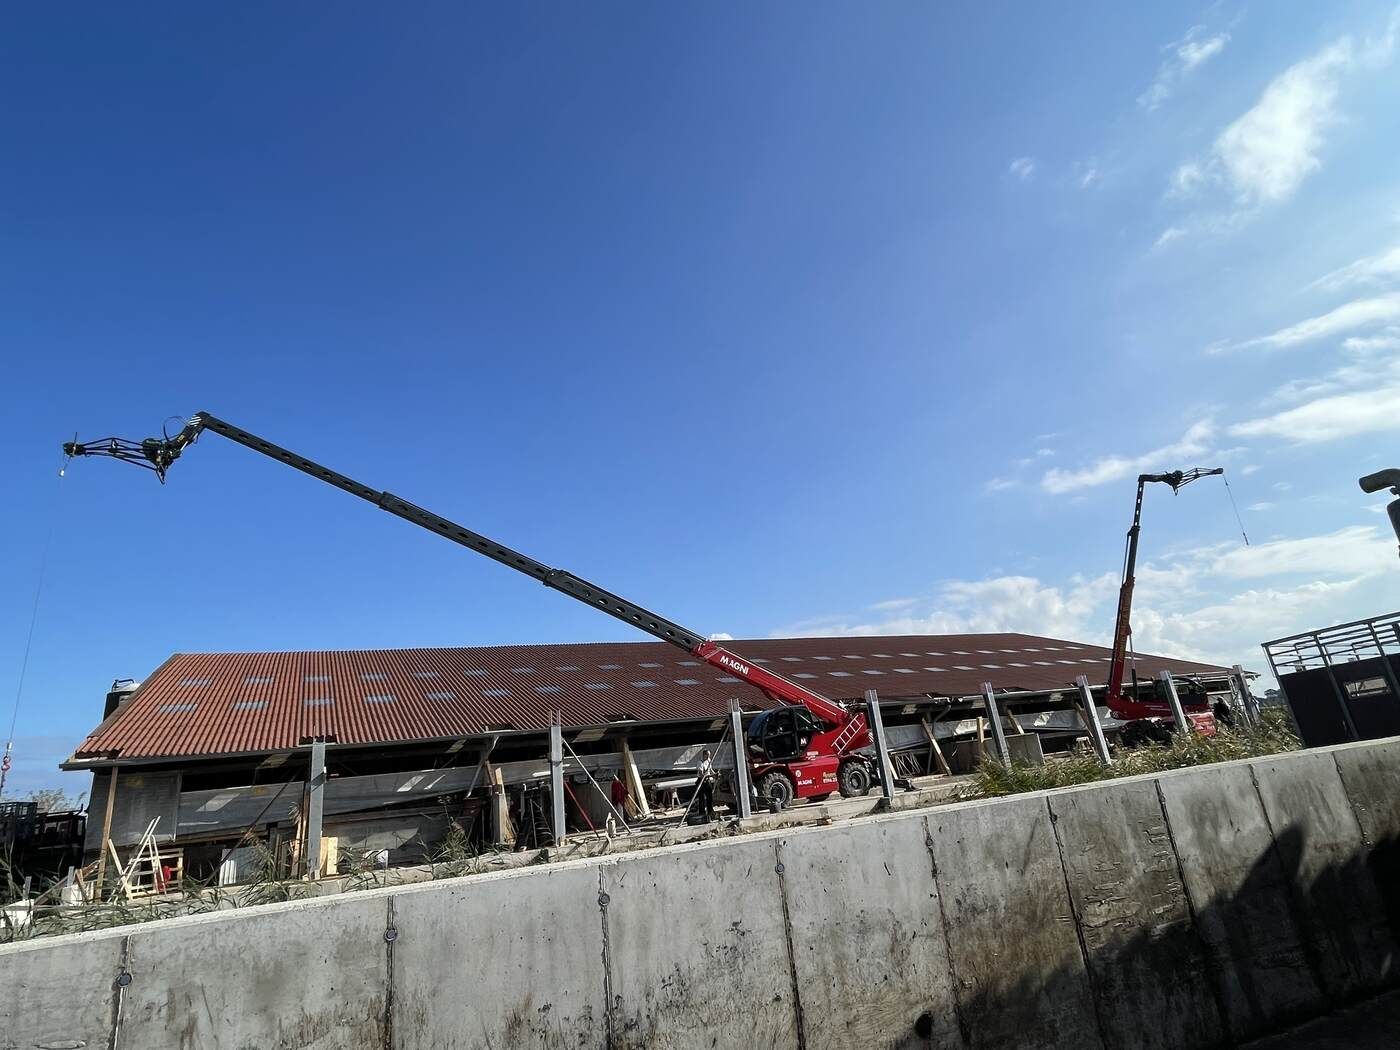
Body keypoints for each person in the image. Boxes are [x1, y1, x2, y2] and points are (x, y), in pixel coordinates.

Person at [694, 747, 717, 823]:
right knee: (702, 799)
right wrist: (710, 776)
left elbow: (710, 770)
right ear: (704, 755)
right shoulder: (700, 763)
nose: (708, 757)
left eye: (709, 755)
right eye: (707, 755)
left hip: (707, 781)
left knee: (710, 797)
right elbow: (701, 774)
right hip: (701, 781)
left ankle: (710, 812)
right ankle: (702, 813)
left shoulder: (709, 761)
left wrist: (715, 774)